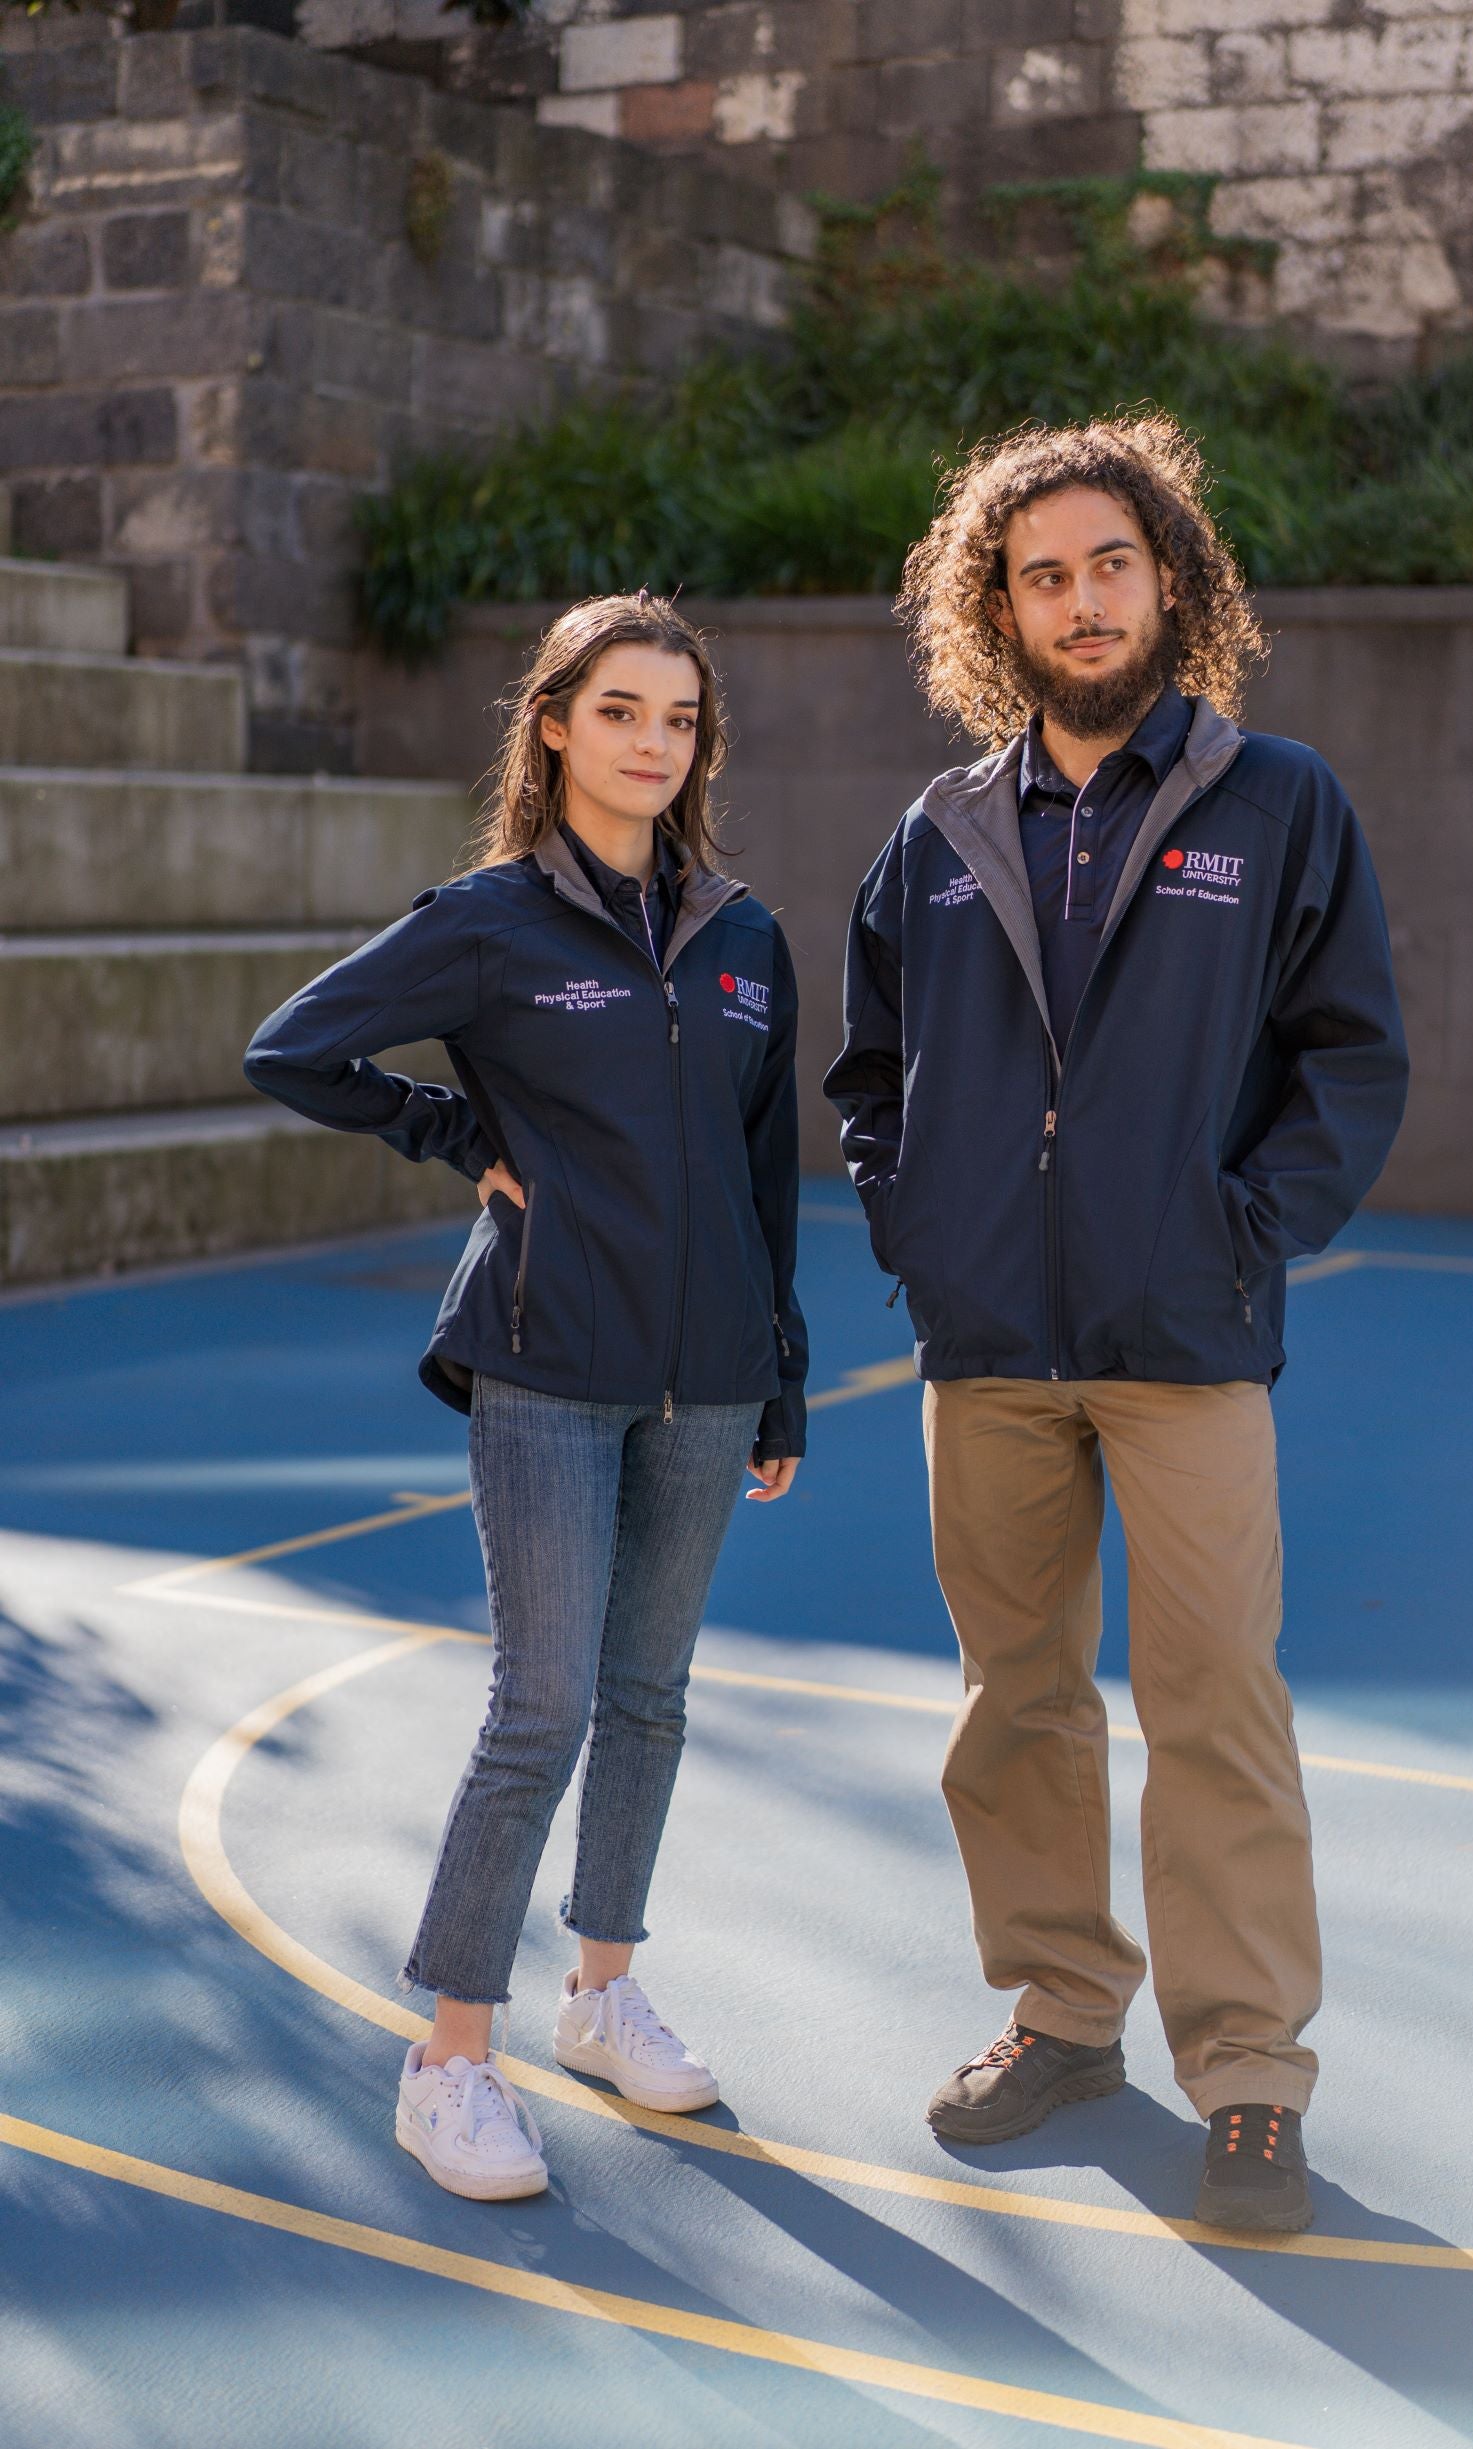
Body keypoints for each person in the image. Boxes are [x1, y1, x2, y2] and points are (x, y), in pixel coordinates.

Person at [825, 417, 1407, 2235]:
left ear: (1174, 580)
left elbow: (1352, 1059)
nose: (1081, 600)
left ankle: (1246, 2076)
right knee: (1017, 1701)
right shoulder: (939, 832)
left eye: (1111, 565)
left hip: (1185, 1338)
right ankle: (1067, 2011)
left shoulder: (1277, 799)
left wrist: (1245, 1235)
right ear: (993, 605)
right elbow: (869, 1074)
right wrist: (921, 1227)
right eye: (1043, 572)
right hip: (987, 1339)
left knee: (1217, 1699)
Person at [246, 593, 806, 2203]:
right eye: (621, 709)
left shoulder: (747, 937)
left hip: (709, 1377)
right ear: (553, 722)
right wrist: (452, 1139)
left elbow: (766, 1174)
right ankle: (451, 2063)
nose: (653, 742)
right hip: (545, 1360)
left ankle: (603, 1991)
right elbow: (295, 1049)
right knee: (542, 1704)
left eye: (680, 718)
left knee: (649, 1694)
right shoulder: (490, 920)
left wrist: (781, 1376)